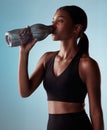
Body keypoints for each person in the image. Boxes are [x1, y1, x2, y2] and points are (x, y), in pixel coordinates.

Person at [18, 5, 104, 130]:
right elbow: (25, 92)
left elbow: (96, 111)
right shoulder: (46, 59)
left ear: (76, 28)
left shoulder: (87, 64)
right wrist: (24, 53)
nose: (53, 26)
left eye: (60, 21)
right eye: (53, 21)